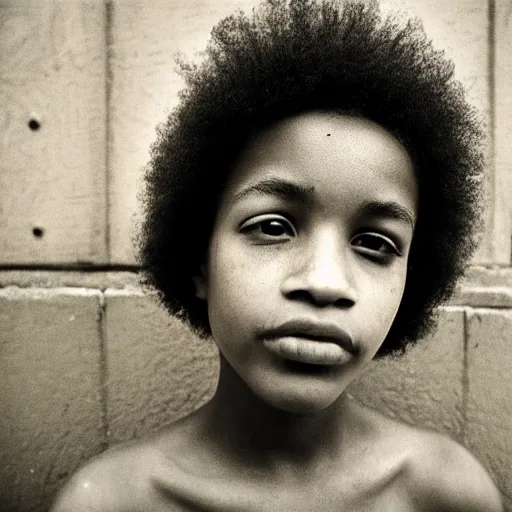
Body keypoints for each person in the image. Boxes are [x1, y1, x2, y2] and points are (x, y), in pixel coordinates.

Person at [52, 0, 505, 510]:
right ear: (200, 259)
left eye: (376, 244)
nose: (326, 282)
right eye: (272, 226)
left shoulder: (447, 494)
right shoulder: (110, 501)